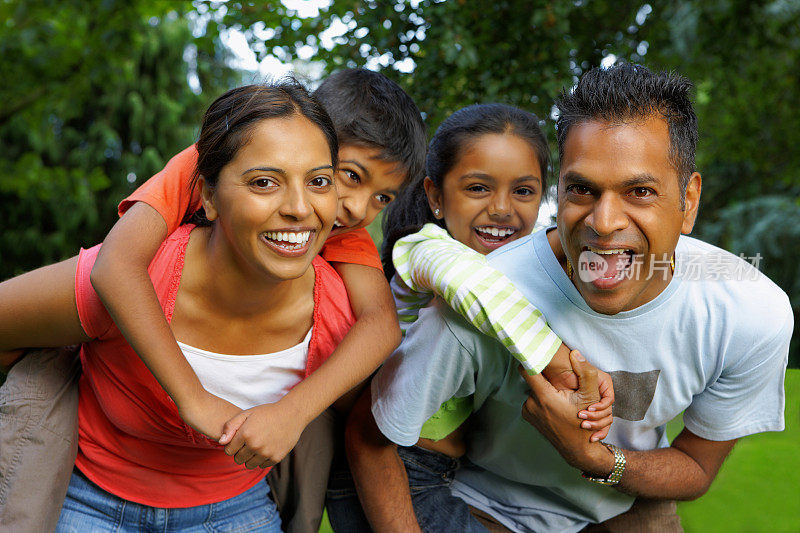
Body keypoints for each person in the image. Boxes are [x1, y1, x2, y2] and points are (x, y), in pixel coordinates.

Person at [360, 64, 792, 532]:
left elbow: (696, 467)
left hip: (628, 496)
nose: (603, 222)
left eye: (640, 191)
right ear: (559, 190)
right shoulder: (484, 303)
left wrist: (593, 457)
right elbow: (372, 439)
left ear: (688, 200)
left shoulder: (748, 312)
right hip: (488, 505)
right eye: (582, 189)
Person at [0, 69, 427, 531]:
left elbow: (380, 327)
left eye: (382, 197)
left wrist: (292, 414)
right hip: (94, 483)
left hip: (233, 501)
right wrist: (191, 396)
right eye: (350, 177)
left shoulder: (344, 242)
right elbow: (116, 267)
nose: (359, 209)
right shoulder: (198, 169)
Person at [334, 104, 613, 532]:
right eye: (478, 188)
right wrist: (560, 363)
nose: (502, 209)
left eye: (523, 191)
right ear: (435, 197)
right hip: (396, 471)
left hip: (448, 474)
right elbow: (473, 288)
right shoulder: (427, 249)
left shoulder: (518, 269)